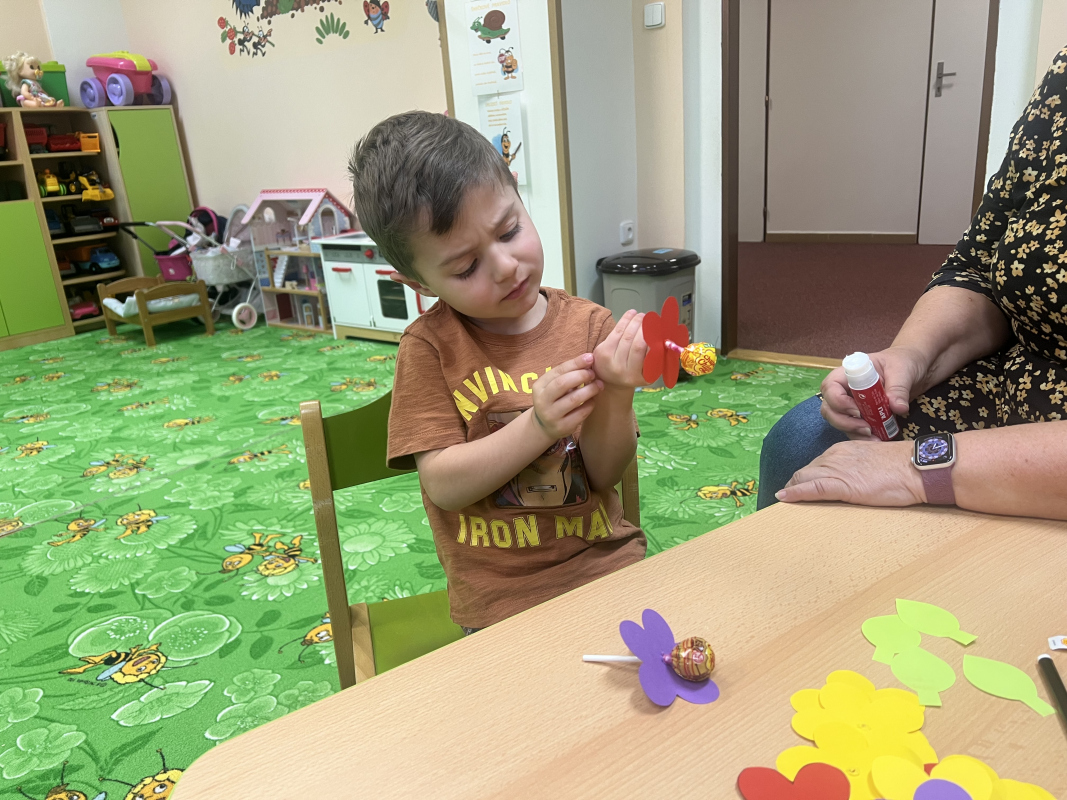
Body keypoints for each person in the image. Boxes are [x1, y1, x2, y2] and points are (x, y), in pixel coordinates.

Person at [349, 111, 649, 633]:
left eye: (510, 230)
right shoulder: (429, 349)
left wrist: (618, 393)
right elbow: (443, 485)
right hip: (502, 601)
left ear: (517, 192)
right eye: (466, 267)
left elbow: (604, 475)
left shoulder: (589, 326)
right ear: (419, 283)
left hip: (605, 566)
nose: (506, 266)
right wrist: (539, 426)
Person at [758, 46, 1067, 522]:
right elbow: (978, 265)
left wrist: (919, 469)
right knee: (803, 440)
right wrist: (911, 357)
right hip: (1017, 382)